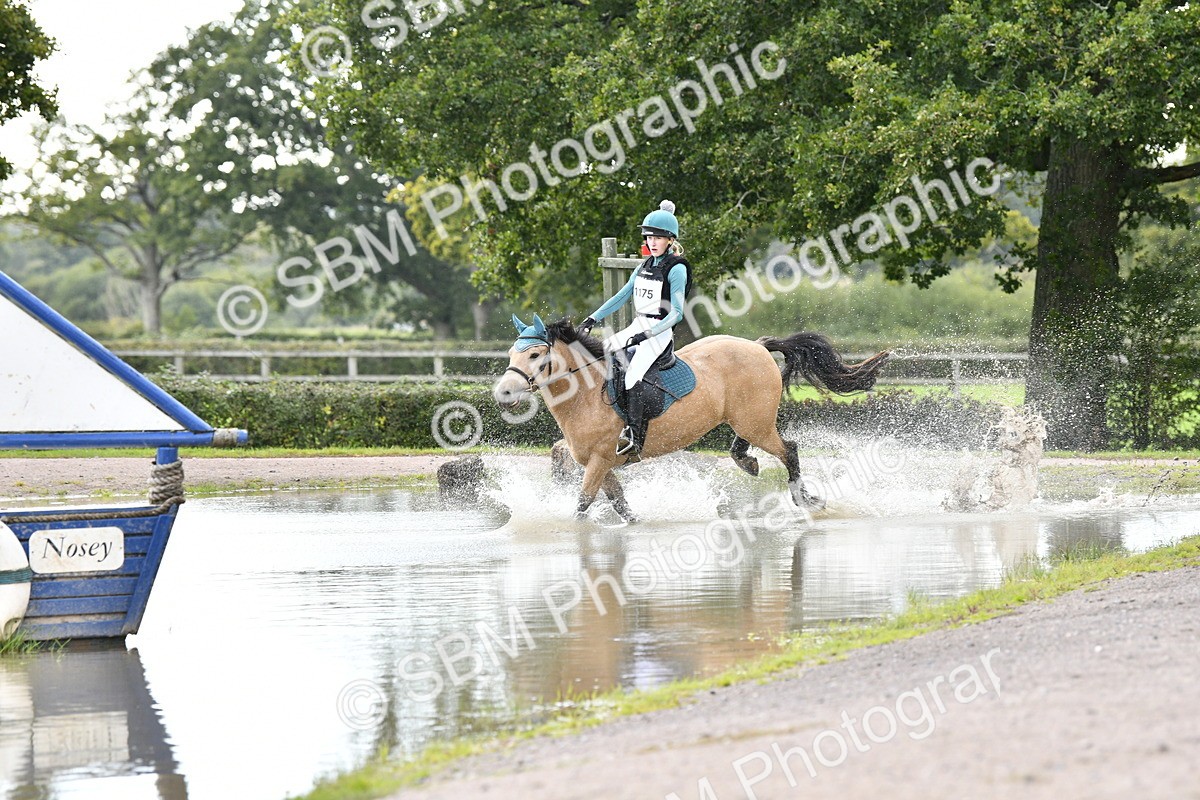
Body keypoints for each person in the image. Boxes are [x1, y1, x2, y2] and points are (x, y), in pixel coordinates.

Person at [579, 200, 692, 457]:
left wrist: (649, 333)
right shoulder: (644, 265)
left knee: (632, 375)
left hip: (659, 330)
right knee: (600, 356)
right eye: (649, 237)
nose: (653, 242)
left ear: (670, 240)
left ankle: (634, 435)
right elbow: (620, 297)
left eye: (659, 238)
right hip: (638, 324)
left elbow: (677, 313)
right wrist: (592, 319)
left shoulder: (677, 268)